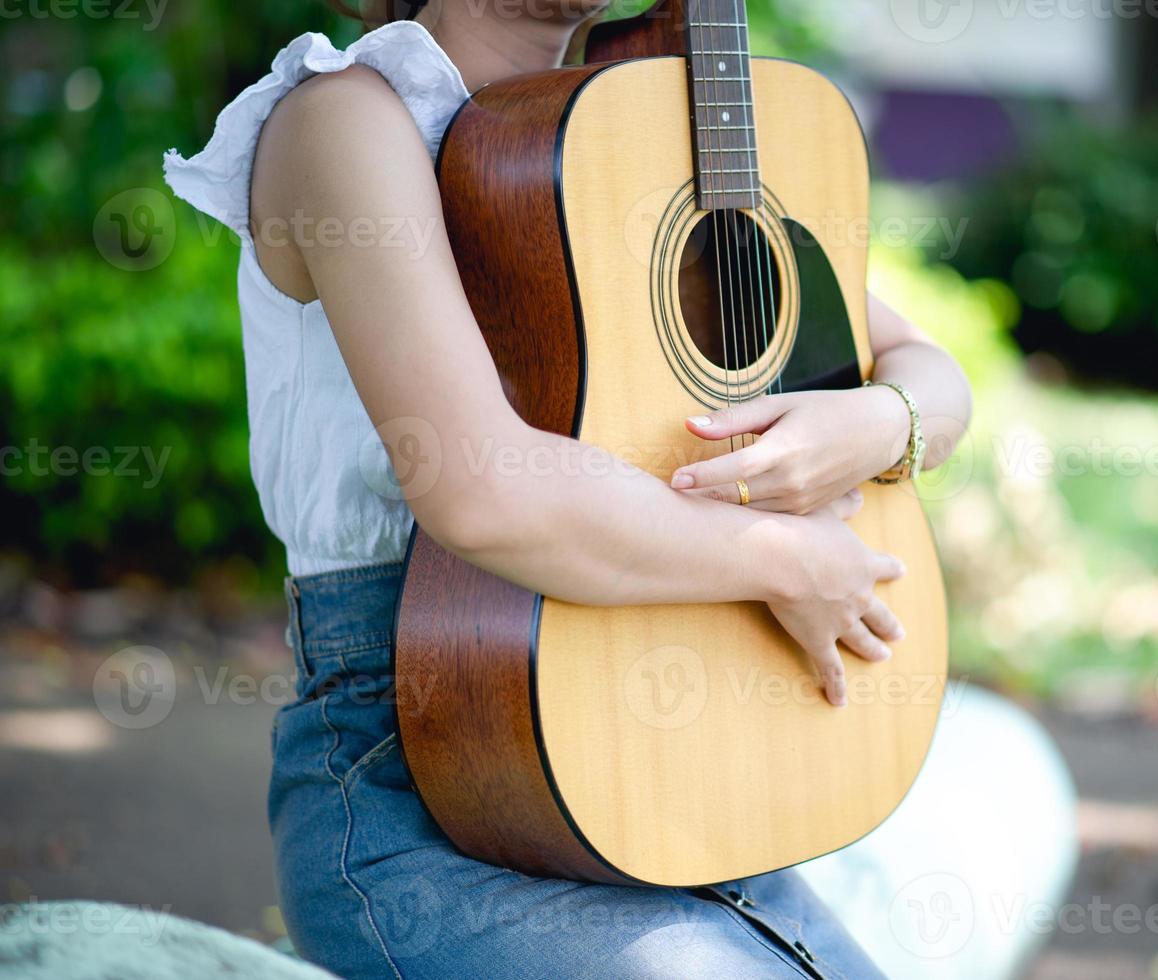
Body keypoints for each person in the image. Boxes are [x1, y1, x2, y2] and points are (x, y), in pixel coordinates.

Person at [165, 2, 980, 977]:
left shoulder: (631, 130)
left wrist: (879, 421)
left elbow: (929, 368)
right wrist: (785, 557)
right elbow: (480, 491)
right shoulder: (348, 119)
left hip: (676, 784)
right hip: (430, 790)